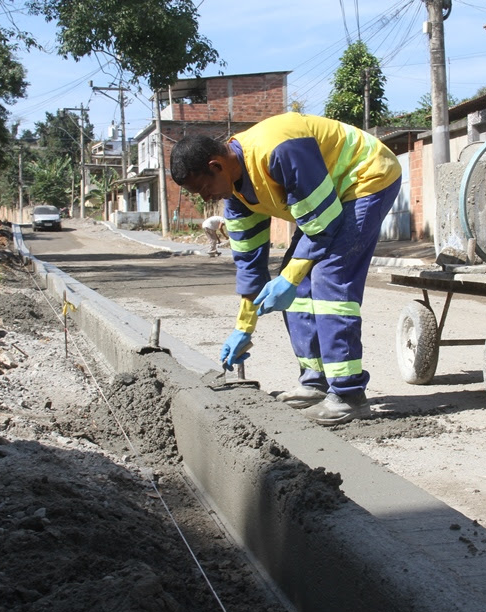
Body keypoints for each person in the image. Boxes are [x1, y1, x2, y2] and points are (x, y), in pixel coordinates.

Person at [170, 112, 402, 425]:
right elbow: (250, 266)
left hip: (365, 176)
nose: (207, 198)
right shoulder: (235, 196)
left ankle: (348, 395)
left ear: (216, 166)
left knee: (329, 276)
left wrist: (289, 279)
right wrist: (243, 327)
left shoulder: (278, 150)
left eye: (204, 189)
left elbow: (323, 224)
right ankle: (315, 382)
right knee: (297, 282)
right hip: (328, 200)